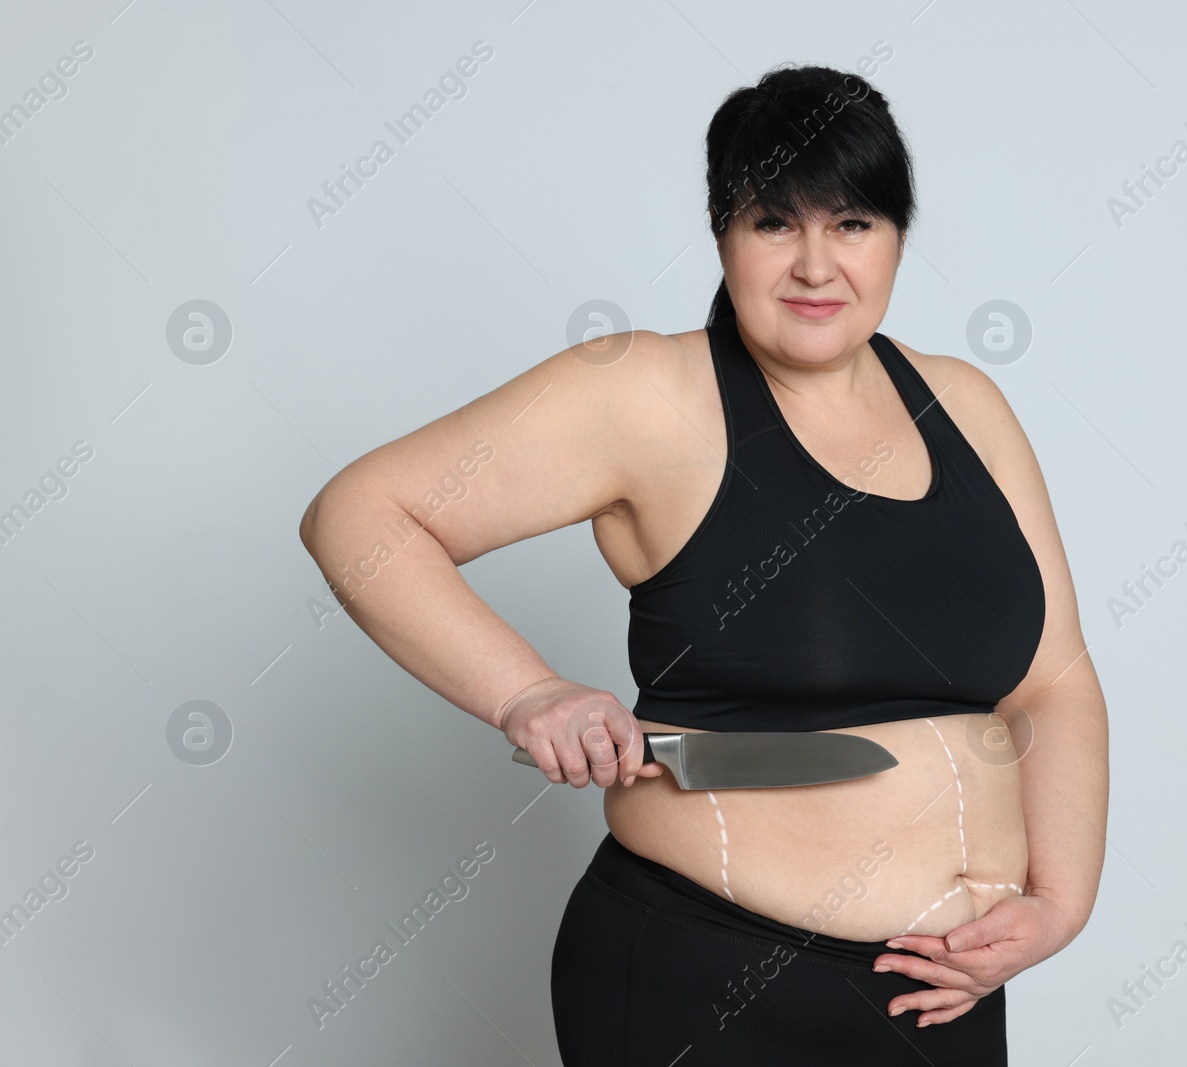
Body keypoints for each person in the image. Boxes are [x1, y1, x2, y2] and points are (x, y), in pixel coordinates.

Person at [299, 63, 1107, 1066]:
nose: (816, 264)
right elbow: (361, 513)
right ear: (723, 232)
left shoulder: (966, 405)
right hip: (706, 981)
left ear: (898, 236)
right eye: (775, 222)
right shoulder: (647, 392)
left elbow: (1054, 680)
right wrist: (527, 691)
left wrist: (1058, 904)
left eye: (852, 223)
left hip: (937, 996)